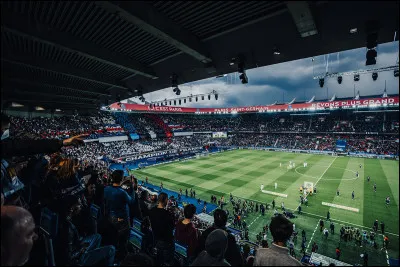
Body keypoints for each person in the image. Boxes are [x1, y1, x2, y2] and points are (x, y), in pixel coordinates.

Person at [56, 195, 116, 266]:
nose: (81, 206)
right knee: (111, 249)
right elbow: (69, 258)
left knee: (97, 236)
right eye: (78, 204)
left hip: (76, 247)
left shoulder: (63, 218)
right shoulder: (68, 228)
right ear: (72, 208)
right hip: (77, 260)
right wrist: (81, 249)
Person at [103, 170, 135, 261]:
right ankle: (121, 258)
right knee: (123, 241)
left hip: (110, 217)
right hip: (122, 220)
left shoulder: (106, 189)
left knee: (113, 237)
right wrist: (132, 187)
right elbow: (131, 201)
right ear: (121, 179)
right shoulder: (122, 192)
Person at [148, 192, 175, 265]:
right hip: (165, 242)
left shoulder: (151, 211)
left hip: (155, 239)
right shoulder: (167, 214)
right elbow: (172, 227)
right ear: (165, 200)